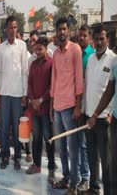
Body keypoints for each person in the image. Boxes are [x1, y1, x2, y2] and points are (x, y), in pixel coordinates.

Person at [50, 17, 83, 194]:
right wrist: (52, 105)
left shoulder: (75, 49)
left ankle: (74, 185)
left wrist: (78, 106)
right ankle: (65, 177)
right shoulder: (55, 53)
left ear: (68, 31)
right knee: (61, 146)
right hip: (57, 106)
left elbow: (79, 79)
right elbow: (54, 80)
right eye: (59, 29)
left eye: (64, 29)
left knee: (73, 147)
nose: (62, 32)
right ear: (56, 32)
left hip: (70, 106)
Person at [0, 15, 29, 170]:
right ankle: (5, 155)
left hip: (17, 94)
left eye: (15, 27)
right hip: (4, 93)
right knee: (3, 127)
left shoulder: (22, 46)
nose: (13, 30)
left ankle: (17, 157)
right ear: (6, 29)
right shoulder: (1, 47)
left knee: (16, 128)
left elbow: (24, 71)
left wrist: (24, 93)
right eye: (10, 27)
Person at [85, 26, 115, 195]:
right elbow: (88, 85)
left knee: (107, 160)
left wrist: (110, 114)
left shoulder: (113, 59)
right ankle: (94, 188)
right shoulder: (90, 59)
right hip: (89, 117)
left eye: (101, 39)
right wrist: (85, 112)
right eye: (96, 39)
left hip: (104, 118)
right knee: (92, 156)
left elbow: (113, 91)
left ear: (107, 40)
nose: (98, 42)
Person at [25, 37, 55, 184]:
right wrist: (32, 99)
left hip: (45, 108)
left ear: (45, 49)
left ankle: (51, 169)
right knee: (36, 138)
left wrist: (41, 100)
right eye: (36, 49)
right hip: (34, 109)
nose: (37, 51)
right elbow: (29, 83)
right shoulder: (33, 64)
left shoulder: (51, 64)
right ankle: (36, 165)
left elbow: (52, 87)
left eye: (40, 49)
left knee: (48, 139)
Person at [76, 24, 94, 192]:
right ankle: (76, 176)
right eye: (79, 35)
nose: (81, 38)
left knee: (84, 145)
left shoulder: (92, 56)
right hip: (75, 105)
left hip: (87, 106)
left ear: (90, 38)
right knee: (74, 144)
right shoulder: (75, 52)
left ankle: (86, 178)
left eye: (84, 36)